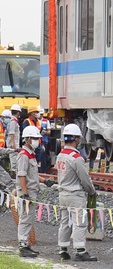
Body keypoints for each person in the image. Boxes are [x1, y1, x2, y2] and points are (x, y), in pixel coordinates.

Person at [56, 124, 98, 262]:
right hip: (75, 195)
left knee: (65, 222)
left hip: (63, 194)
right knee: (80, 222)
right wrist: (92, 191)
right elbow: (84, 178)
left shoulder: (61, 155)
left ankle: (63, 250)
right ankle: (80, 251)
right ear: (76, 139)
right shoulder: (76, 157)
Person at [16, 126, 43, 258]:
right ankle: (23, 245)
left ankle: (25, 244)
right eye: (34, 138)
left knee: (28, 218)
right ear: (26, 139)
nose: (37, 141)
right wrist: (25, 193)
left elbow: (32, 175)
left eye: (37, 138)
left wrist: (45, 180)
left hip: (31, 191)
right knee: (25, 219)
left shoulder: (31, 155)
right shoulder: (24, 155)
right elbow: (21, 175)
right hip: (27, 193)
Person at [6, 104, 22, 173]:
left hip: (13, 144)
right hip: (13, 145)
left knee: (15, 160)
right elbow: (11, 133)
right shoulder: (13, 122)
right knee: (14, 162)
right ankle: (14, 176)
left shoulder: (13, 121)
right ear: (18, 112)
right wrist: (14, 145)